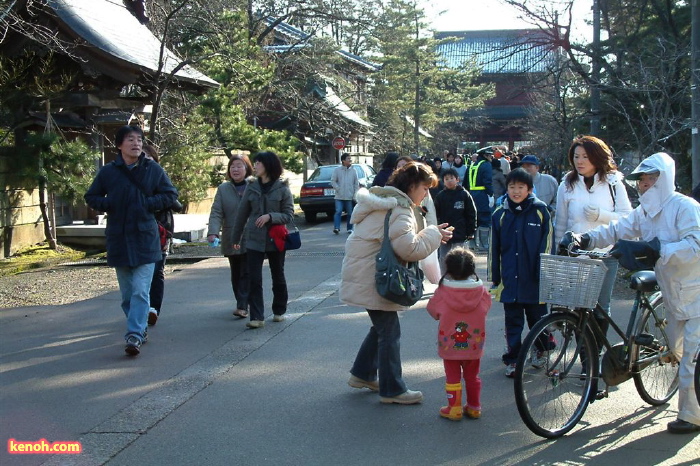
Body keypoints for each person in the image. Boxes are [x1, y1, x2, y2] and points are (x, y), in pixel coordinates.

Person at [561, 152, 700, 434]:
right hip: (673, 294)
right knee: (677, 350)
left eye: (652, 179)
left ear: (665, 180)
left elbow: (695, 245)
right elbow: (617, 229)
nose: (646, 185)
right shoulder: (644, 211)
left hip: (696, 292)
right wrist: (585, 237)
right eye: (643, 181)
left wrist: (658, 248)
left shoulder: (685, 207)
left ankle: (691, 416)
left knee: (690, 363)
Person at [341, 162, 453, 404]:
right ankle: (392, 390)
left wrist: (431, 232)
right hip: (375, 277)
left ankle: (363, 374)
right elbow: (409, 248)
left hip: (365, 273)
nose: (426, 195)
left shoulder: (382, 201)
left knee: (382, 328)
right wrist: (434, 234)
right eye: (425, 188)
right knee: (389, 332)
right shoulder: (400, 209)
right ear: (412, 186)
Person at [84, 125, 178, 356]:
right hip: (119, 237)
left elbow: (170, 195)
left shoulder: (153, 169)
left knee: (140, 291)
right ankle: (140, 326)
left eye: (139, 139)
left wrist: (147, 204)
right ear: (119, 145)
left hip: (146, 237)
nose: (136, 143)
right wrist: (110, 204)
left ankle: (134, 334)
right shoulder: (108, 172)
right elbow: (91, 196)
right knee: (127, 295)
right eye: (130, 139)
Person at [554, 135, 632, 323]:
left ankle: (595, 350)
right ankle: (585, 350)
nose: (579, 161)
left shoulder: (613, 183)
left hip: (606, 254)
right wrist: (558, 252)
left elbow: (628, 218)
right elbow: (560, 223)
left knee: (601, 308)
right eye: (576, 156)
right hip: (576, 256)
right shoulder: (566, 185)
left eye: (585, 157)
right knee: (579, 308)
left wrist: (602, 215)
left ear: (597, 157)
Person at [488, 168, 554, 377]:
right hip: (510, 280)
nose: (516, 191)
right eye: (512, 187)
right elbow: (493, 248)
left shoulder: (540, 211)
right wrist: (495, 278)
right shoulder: (500, 214)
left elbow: (548, 244)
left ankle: (542, 350)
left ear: (530, 189)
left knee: (538, 319)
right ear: (506, 189)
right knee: (513, 322)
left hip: (535, 280)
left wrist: (544, 273)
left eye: (521, 187)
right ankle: (514, 359)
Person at [231, 151, 294, 329]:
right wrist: (235, 238)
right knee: (254, 278)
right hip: (254, 239)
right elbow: (242, 214)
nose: (255, 166)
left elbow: (289, 215)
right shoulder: (251, 186)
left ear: (268, 166)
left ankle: (279, 310)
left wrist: (270, 217)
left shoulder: (282, 188)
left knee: (278, 276)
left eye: (258, 163)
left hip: (276, 239)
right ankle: (257, 316)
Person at [426, 247, 491, 420]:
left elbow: (432, 311)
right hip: (474, 344)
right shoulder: (481, 291)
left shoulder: (443, 291)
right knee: (472, 376)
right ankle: (474, 406)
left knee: (452, 376)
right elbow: (486, 308)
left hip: (450, 345)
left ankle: (454, 408)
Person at [207, 154, 254, 319]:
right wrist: (213, 232)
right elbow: (216, 212)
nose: (235, 169)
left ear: (247, 168)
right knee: (236, 271)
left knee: (247, 271)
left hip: (252, 235)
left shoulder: (254, 185)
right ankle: (241, 302)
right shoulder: (223, 189)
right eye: (232, 166)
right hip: (232, 235)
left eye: (239, 166)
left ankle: (243, 305)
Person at [142, 144, 182, 326]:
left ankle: (153, 309)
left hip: (161, 230)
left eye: (148, 157)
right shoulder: (128, 179)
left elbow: (175, 202)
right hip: (139, 231)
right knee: (141, 272)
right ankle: (140, 308)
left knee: (157, 270)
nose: (145, 161)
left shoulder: (160, 178)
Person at [434, 168, 477, 272]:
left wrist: (471, 230)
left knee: (460, 257)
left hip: (460, 232)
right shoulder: (441, 196)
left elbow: (471, 213)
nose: (449, 181)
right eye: (446, 179)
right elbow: (435, 214)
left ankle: (460, 278)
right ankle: (444, 279)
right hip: (445, 234)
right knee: (444, 258)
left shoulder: (464, 194)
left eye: (451, 178)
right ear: (443, 181)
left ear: (457, 179)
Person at [464, 147, 494, 252]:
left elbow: (465, 183)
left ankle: (472, 244)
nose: (491, 157)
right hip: (482, 195)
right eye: (489, 155)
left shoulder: (471, 165)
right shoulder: (486, 165)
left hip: (471, 194)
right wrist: (491, 194)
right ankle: (484, 245)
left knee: (473, 218)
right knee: (484, 219)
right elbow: (488, 182)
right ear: (485, 155)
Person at [331, 153, 360, 234]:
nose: (350, 160)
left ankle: (349, 228)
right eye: (348, 158)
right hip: (339, 196)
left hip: (349, 196)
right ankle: (336, 228)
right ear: (343, 160)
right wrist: (338, 188)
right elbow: (333, 181)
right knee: (338, 211)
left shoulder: (354, 170)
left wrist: (355, 194)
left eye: (350, 158)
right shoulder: (337, 170)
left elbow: (356, 183)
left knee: (350, 212)